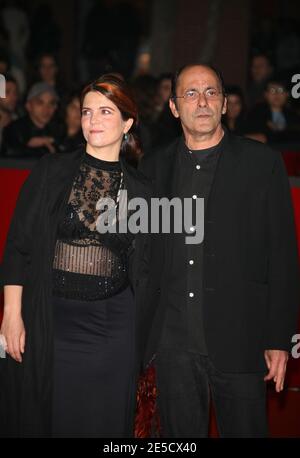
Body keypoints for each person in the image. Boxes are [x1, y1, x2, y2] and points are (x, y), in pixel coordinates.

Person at [139, 64, 299, 438]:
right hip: (172, 344)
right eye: (190, 94)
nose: (203, 102)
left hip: (241, 339)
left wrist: (278, 339)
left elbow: (283, 257)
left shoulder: (262, 164)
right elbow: (144, 256)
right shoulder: (153, 166)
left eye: (211, 92)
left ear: (225, 103)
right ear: (174, 107)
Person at [0, 73, 151, 438]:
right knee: (50, 419)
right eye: (86, 112)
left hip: (113, 326)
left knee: (102, 422)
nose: (92, 121)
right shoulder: (50, 171)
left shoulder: (144, 192)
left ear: (127, 122)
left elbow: (150, 269)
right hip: (52, 319)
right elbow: (19, 247)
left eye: (104, 111)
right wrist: (11, 316)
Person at [1, 81, 61, 157]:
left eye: (51, 103)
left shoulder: (59, 129)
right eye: (40, 103)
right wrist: (29, 146)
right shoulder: (13, 130)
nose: (46, 109)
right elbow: (8, 158)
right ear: (28, 106)